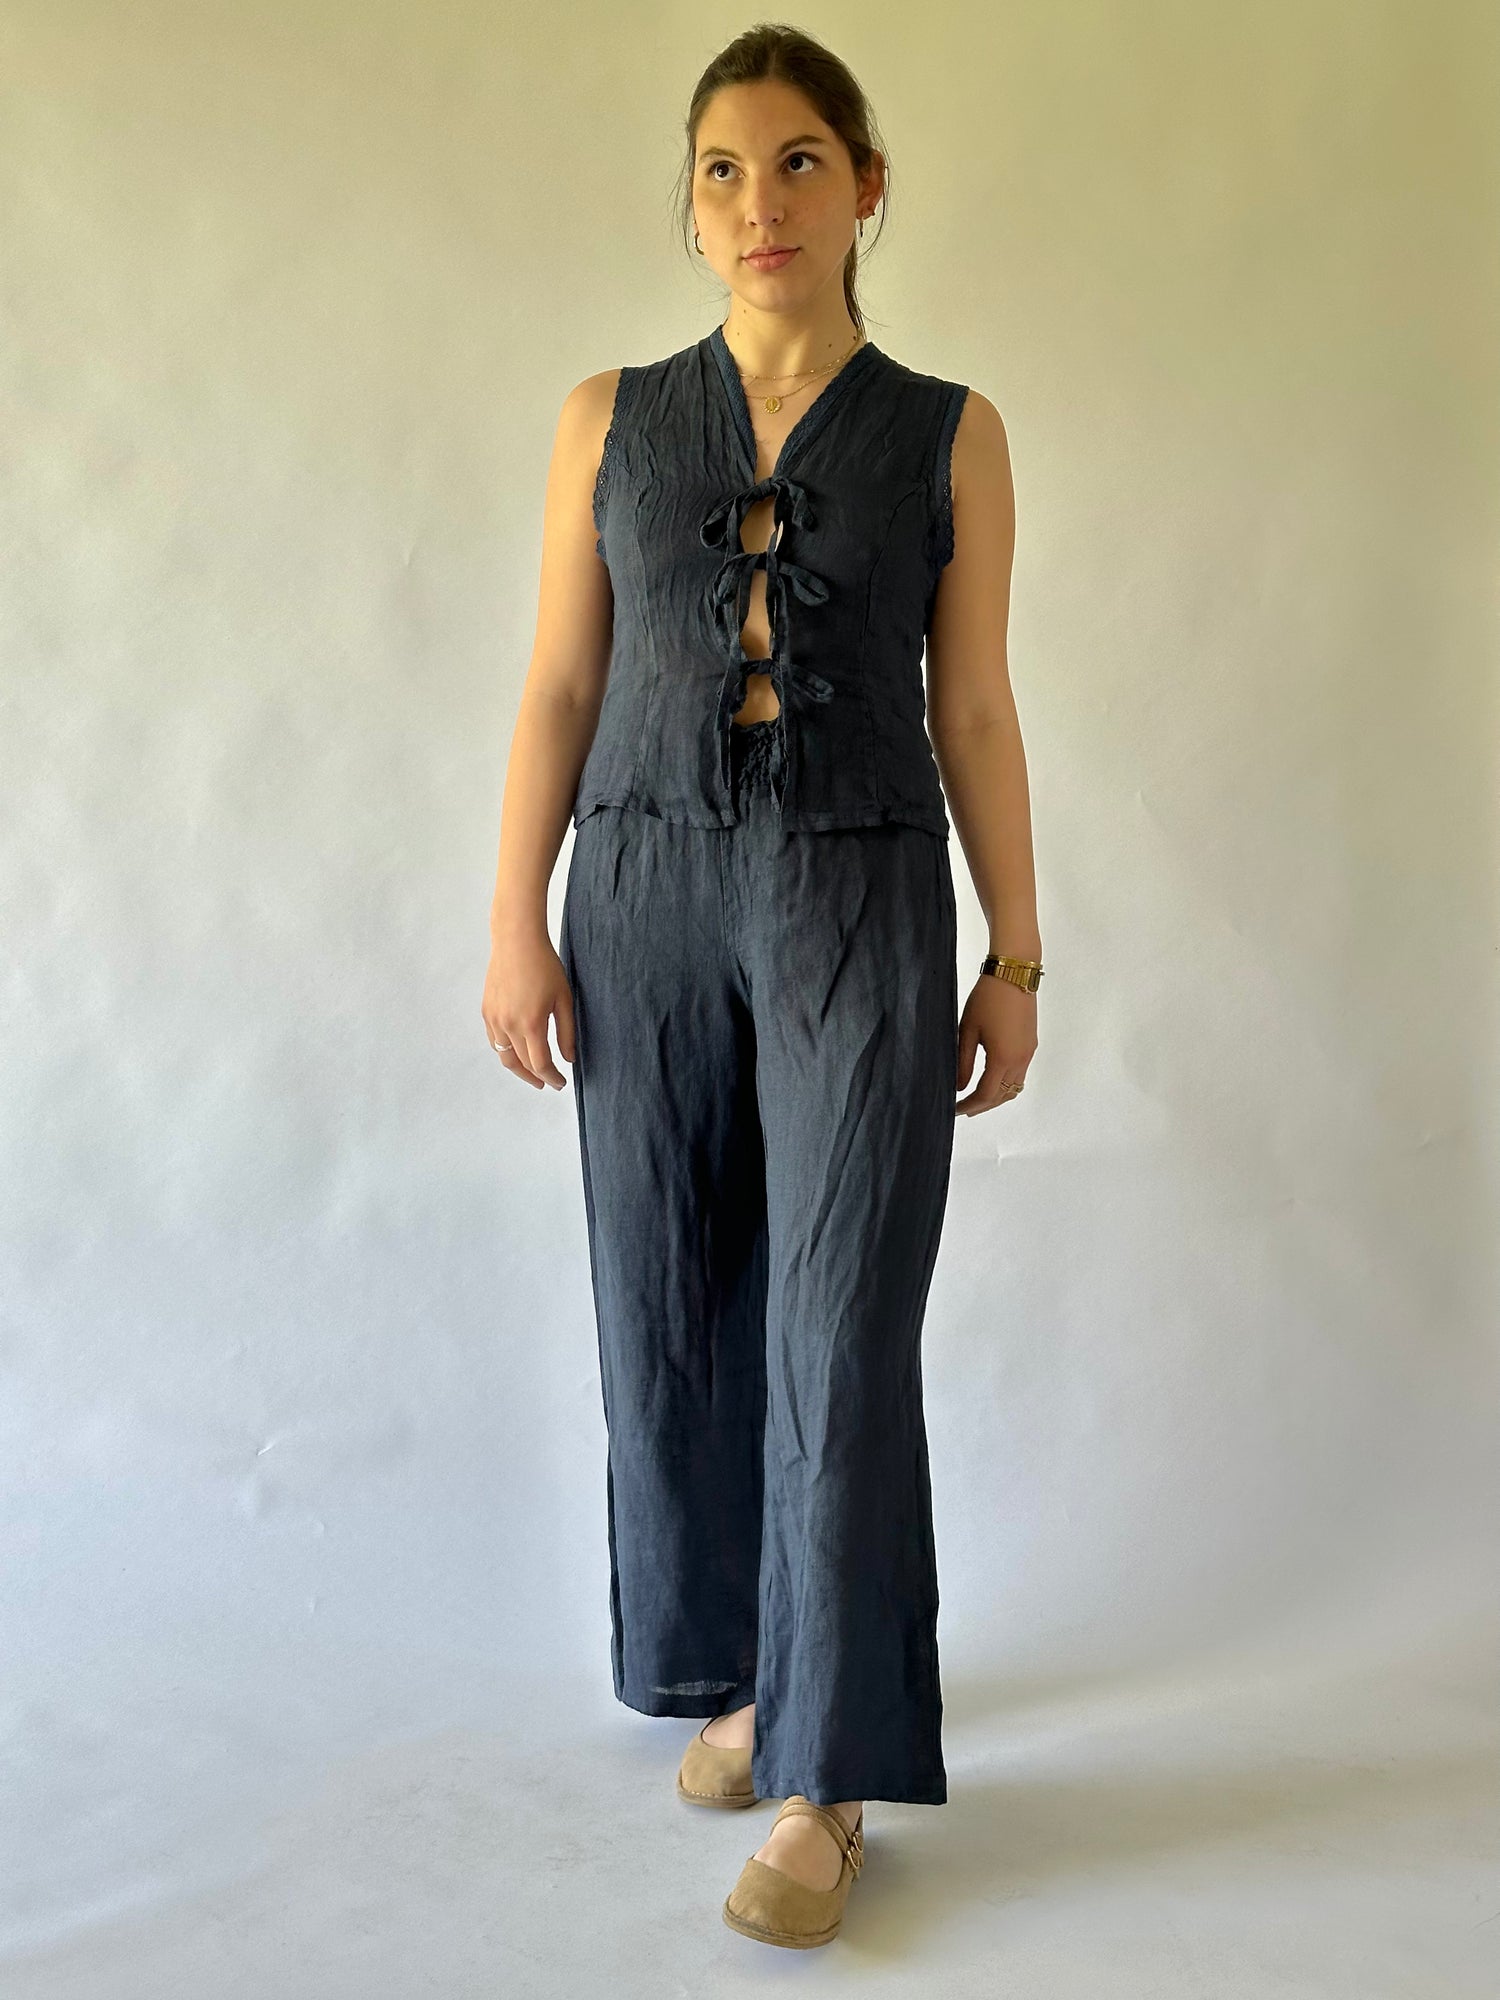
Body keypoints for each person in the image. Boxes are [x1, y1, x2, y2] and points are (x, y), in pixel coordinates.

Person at [481, 24, 1041, 1951]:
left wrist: (1015, 954)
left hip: (859, 891)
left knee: (839, 1320)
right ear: (694, 202)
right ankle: (747, 1668)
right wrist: (515, 916)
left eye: (800, 160)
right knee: (677, 1296)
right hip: (637, 888)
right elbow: (562, 683)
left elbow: (977, 706)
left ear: (866, 187)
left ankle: (830, 1772)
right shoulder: (606, 417)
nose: (758, 201)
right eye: (722, 168)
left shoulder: (950, 430)